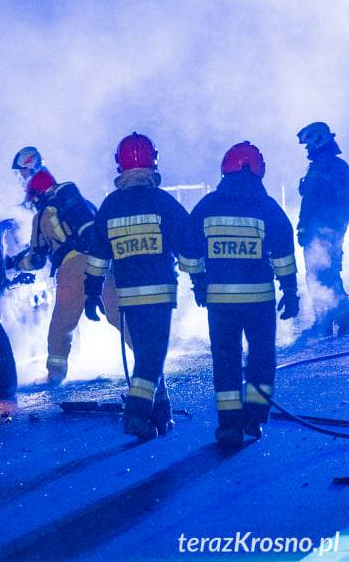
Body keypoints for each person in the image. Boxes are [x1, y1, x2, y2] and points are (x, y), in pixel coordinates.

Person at [185, 141, 299, 448]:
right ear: (258, 169)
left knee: (225, 360)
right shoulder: (267, 207)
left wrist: (198, 282)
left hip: (220, 303)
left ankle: (229, 426)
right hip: (259, 302)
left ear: (226, 169)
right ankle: (254, 419)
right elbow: (284, 254)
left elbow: (189, 249)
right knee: (262, 357)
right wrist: (290, 291)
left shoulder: (207, 206)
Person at [84, 132, 192, 440]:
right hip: (159, 295)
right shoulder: (162, 202)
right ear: (153, 163)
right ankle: (135, 414)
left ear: (120, 166)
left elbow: (97, 257)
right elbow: (187, 246)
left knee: (146, 355)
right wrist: (200, 281)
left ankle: (161, 414)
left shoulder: (110, 206)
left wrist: (92, 294)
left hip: (127, 297)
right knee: (152, 357)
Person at [5, 146, 122, 386]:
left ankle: (55, 376)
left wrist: (13, 263)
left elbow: (36, 259)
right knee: (119, 316)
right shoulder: (81, 202)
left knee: (61, 326)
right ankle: (148, 362)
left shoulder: (42, 215)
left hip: (72, 268)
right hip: (104, 265)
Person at [296, 122, 349, 337]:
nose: (307, 150)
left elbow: (315, 201)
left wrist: (314, 229)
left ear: (318, 141)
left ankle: (335, 319)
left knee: (322, 275)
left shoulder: (330, 167)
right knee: (323, 274)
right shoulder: (327, 165)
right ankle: (328, 320)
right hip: (324, 230)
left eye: (308, 145)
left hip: (324, 231)